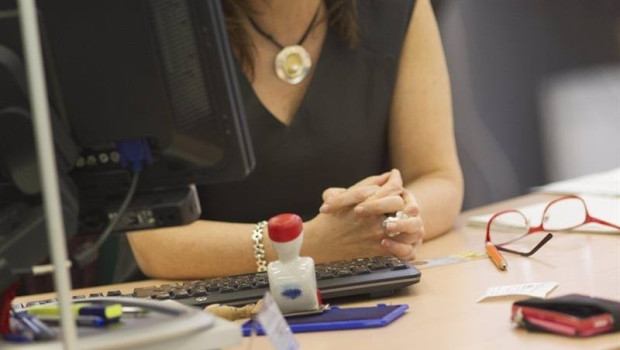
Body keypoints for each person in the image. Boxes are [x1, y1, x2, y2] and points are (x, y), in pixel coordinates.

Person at [127, 0, 463, 280]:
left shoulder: (395, 9)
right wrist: (308, 244)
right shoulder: (158, 20)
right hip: (205, 309)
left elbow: (437, 176)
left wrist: (390, 220)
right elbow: (154, 241)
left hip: (361, 288)